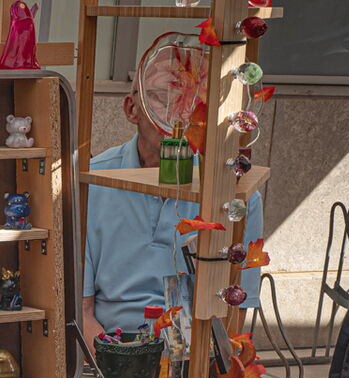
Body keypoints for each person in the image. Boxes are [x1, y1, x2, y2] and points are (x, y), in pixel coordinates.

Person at [82, 76, 264, 345]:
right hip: (111, 345)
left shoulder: (233, 196)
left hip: (195, 350)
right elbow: (81, 309)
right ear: (132, 108)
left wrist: (204, 364)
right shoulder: (93, 180)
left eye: (192, 101)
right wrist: (115, 359)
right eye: (164, 98)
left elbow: (234, 313)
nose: (179, 115)